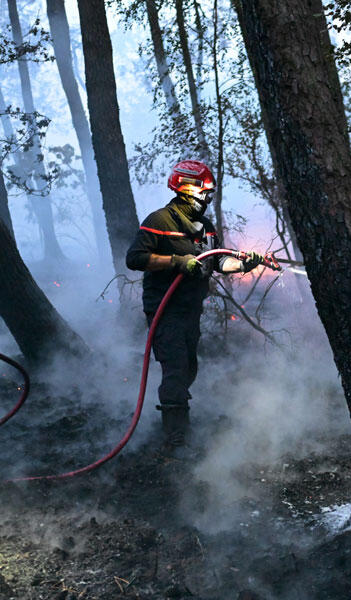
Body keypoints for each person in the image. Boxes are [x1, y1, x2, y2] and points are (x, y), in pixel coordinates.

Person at [125, 160, 264, 448]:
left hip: (191, 310)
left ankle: (175, 418)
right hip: (165, 310)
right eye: (205, 192)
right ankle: (176, 439)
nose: (208, 198)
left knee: (189, 368)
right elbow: (135, 258)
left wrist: (242, 265)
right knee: (175, 369)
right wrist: (177, 261)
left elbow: (216, 260)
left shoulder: (206, 227)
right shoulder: (159, 221)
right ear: (186, 189)